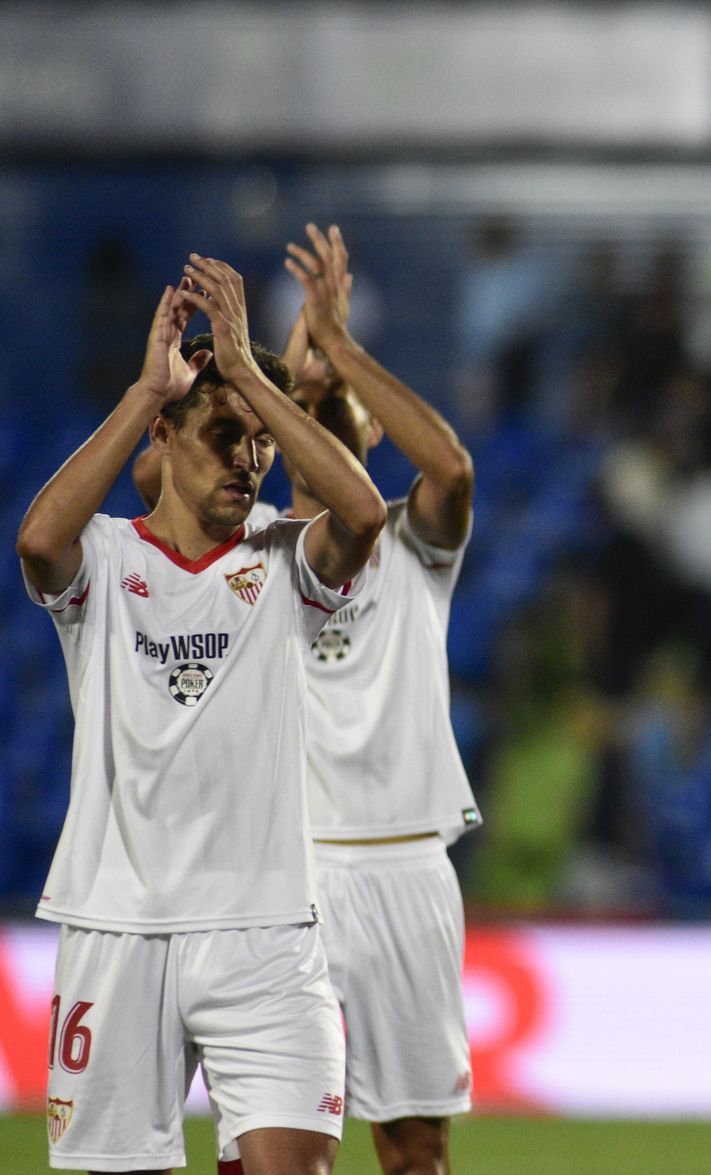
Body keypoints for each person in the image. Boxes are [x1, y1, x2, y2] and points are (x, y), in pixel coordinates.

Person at [16, 256, 387, 1173]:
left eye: (261, 439)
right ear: (165, 435)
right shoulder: (103, 560)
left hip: (267, 932)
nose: (250, 457)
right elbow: (35, 540)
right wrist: (149, 384)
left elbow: (366, 512)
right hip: (119, 924)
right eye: (224, 432)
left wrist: (254, 380)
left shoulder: (286, 560)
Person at [133, 225, 479, 1175]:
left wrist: (339, 346)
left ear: (368, 432)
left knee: (415, 1150)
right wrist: (270, 372)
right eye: (303, 413)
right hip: (284, 881)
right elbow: (150, 473)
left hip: (404, 864)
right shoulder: (246, 548)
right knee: (265, 1141)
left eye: (340, 412)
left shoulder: (413, 543)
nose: (322, 418)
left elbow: (450, 470)